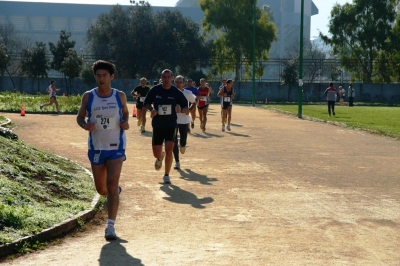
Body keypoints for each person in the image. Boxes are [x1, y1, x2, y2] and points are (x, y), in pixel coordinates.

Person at [76, 60, 130, 241]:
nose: (101, 78)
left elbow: (126, 112)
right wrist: (85, 125)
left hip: (116, 146)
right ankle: (113, 193)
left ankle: (110, 227)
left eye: (104, 75)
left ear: (111, 77)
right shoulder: (88, 96)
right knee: (101, 189)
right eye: (98, 75)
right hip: (96, 147)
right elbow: (80, 117)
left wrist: (125, 122)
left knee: (112, 185)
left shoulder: (119, 95)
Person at [143, 69, 189, 184]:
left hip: (171, 124)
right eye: (164, 77)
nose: (166, 79)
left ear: (172, 78)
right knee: (156, 153)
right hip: (158, 125)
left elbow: (186, 108)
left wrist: (181, 110)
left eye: (168, 77)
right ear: (161, 78)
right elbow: (146, 103)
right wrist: (152, 109)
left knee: (169, 149)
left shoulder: (176, 92)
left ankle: (166, 175)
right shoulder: (155, 90)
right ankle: (160, 157)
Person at [173, 75, 196, 170]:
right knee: (174, 141)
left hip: (184, 120)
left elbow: (195, 101)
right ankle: (177, 162)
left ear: (183, 83)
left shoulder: (188, 93)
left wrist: (189, 110)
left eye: (180, 82)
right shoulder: (170, 92)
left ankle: (183, 145)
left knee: (183, 139)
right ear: (174, 82)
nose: (178, 84)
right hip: (173, 120)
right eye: (177, 82)